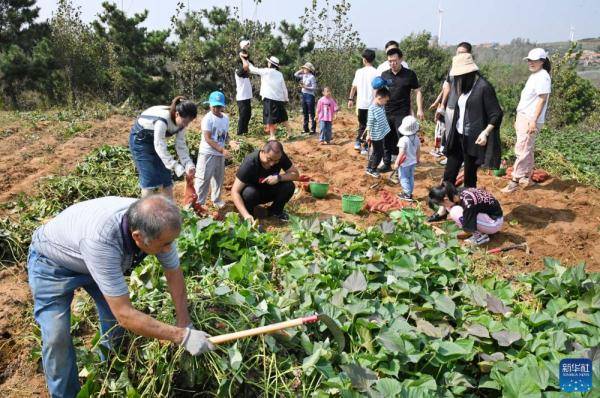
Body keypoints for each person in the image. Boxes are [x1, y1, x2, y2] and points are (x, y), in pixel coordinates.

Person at [27, 195, 214, 397]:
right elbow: (125, 315)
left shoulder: (157, 225)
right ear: (137, 237)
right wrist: (181, 337)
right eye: (165, 245)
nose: (169, 249)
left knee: (113, 326)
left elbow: (174, 275)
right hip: (53, 264)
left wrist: (184, 322)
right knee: (57, 337)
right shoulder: (102, 240)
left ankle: (106, 369)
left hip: (95, 259)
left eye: (171, 242)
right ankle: (65, 394)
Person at [437, 53, 503, 201]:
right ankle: (444, 209)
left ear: (468, 73)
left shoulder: (484, 87)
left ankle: (469, 208)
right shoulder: (465, 86)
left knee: (469, 177)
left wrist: (486, 132)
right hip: (458, 136)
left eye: (459, 76)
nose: (456, 79)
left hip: (473, 139)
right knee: (449, 173)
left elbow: (496, 114)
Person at [502, 48, 552, 193]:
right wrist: (519, 118)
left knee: (522, 149)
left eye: (534, 60)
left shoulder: (543, 77)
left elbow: (542, 100)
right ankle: (526, 178)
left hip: (531, 118)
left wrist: (533, 121)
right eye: (529, 60)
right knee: (526, 149)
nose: (531, 63)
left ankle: (515, 180)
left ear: (542, 61)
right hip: (524, 117)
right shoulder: (535, 75)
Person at [129, 97, 197, 198]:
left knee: (166, 177)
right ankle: (145, 212)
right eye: (185, 122)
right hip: (141, 140)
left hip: (156, 141)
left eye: (188, 122)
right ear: (177, 114)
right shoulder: (163, 120)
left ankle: (169, 208)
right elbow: (159, 145)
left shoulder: (182, 123)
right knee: (149, 177)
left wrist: (188, 164)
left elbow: (181, 145)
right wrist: (174, 165)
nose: (186, 125)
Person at [379, 48, 424, 174]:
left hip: (402, 113)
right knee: (386, 139)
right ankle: (387, 163)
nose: (392, 63)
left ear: (401, 59)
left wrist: (419, 109)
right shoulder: (384, 75)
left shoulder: (409, 74)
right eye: (390, 61)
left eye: (395, 61)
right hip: (387, 112)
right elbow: (380, 93)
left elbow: (418, 91)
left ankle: (403, 167)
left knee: (403, 141)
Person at [231, 140, 299, 222]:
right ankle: (250, 215)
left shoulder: (279, 156)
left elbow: (295, 174)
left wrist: (278, 177)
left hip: (268, 191)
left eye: (276, 160)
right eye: (269, 159)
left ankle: (275, 211)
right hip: (252, 195)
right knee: (249, 193)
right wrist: (246, 215)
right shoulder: (250, 162)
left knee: (289, 186)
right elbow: (235, 191)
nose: (272, 164)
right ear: (263, 151)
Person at [430, 42, 473, 159]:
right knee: (449, 133)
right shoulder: (453, 68)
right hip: (451, 106)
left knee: (462, 134)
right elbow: (446, 87)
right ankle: (451, 158)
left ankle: (463, 159)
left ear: (469, 54)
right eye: (458, 52)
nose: (459, 55)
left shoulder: (471, 71)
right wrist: (442, 105)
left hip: (465, 109)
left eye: (463, 53)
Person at [428, 182, 504, 246]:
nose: (442, 206)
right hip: (489, 216)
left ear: (446, 199)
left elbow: (467, 231)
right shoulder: (459, 192)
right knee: (451, 208)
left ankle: (480, 236)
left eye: (442, 204)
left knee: (455, 211)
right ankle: (479, 229)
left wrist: (448, 235)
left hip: (494, 224)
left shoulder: (468, 204)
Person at [194, 91, 230, 209]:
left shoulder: (225, 118)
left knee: (218, 178)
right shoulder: (207, 119)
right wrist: (222, 150)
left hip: (219, 154)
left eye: (219, 106)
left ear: (222, 106)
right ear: (209, 105)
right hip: (207, 153)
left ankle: (217, 200)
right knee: (203, 178)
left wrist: (231, 142)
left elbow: (225, 134)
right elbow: (208, 138)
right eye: (214, 106)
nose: (216, 108)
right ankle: (198, 203)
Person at [241, 54, 289, 140]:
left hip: (269, 98)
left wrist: (245, 60)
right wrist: (286, 98)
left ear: (270, 64)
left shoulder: (266, 71)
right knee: (283, 117)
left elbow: (252, 69)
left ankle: (272, 136)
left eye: (268, 62)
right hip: (279, 98)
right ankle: (290, 132)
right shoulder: (279, 74)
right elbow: (284, 87)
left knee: (270, 118)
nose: (268, 64)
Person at [348, 48, 379, 153]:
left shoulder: (359, 72)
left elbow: (354, 87)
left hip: (361, 104)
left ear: (364, 60)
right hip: (372, 104)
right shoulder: (376, 72)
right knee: (370, 126)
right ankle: (365, 146)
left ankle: (358, 143)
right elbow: (378, 89)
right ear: (373, 59)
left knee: (362, 125)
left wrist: (351, 99)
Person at [365, 87, 391, 178]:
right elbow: (370, 123)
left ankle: (369, 167)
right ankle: (373, 169)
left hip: (381, 134)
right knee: (379, 153)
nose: (386, 103)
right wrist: (368, 135)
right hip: (375, 136)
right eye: (385, 101)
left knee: (376, 152)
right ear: (380, 98)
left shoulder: (381, 105)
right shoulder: (372, 109)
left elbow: (381, 91)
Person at [394, 116, 421, 201]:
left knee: (403, 177)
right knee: (410, 177)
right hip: (412, 162)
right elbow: (418, 150)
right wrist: (417, 159)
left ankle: (407, 194)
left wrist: (396, 163)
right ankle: (410, 192)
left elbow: (401, 153)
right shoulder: (416, 138)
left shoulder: (403, 140)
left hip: (404, 163)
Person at [235, 39, 253, 135]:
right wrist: (242, 57)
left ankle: (245, 132)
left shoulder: (245, 70)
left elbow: (249, 65)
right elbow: (245, 65)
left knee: (248, 115)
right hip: (241, 97)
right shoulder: (239, 70)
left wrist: (245, 57)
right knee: (243, 116)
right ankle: (240, 133)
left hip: (247, 96)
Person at [294, 62, 318, 134]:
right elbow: (295, 74)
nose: (304, 69)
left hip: (310, 96)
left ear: (309, 69)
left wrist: (305, 87)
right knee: (305, 112)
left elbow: (314, 87)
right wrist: (301, 70)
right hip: (303, 95)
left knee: (311, 113)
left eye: (305, 68)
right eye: (304, 68)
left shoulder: (312, 77)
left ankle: (313, 129)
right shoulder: (303, 75)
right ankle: (305, 129)